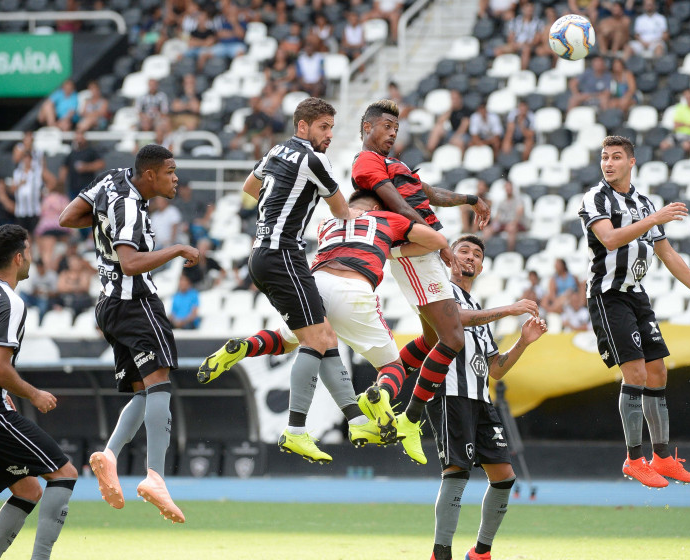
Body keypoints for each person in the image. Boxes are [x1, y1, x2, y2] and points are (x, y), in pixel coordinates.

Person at [199, 189, 449, 462]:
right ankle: (381, 394)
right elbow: (436, 241)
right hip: (354, 287)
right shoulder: (387, 218)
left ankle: (245, 346)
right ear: (377, 204)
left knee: (290, 340)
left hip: (315, 283)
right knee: (392, 367)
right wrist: (391, 249)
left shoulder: (328, 223)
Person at [216, 98, 385, 465]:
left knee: (323, 337)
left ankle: (356, 420)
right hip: (283, 255)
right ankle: (295, 430)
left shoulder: (276, 151)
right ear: (303, 126)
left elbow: (249, 186)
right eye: (323, 127)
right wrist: (361, 213)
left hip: (262, 253)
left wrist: (281, 204)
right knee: (317, 338)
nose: (328, 135)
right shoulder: (313, 159)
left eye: (331, 128)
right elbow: (341, 211)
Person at [57, 144, 202, 523]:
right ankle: (156, 477)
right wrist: (176, 249)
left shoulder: (111, 180)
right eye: (170, 172)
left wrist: (100, 223)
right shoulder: (131, 207)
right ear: (150, 175)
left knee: (143, 390)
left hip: (108, 305)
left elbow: (68, 216)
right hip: (135, 303)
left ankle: (109, 455)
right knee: (160, 384)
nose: (176, 178)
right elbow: (131, 262)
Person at [579, 135, 690, 487]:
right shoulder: (595, 197)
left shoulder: (644, 202)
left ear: (631, 162)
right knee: (636, 374)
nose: (608, 163)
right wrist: (655, 218)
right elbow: (610, 239)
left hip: (637, 295)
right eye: (604, 157)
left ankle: (662, 458)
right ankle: (633, 459)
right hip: (608, 295)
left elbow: (668, 254)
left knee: (658, 371)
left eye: (615, 157)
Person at [352, 99, 491, 465]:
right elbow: (396, 202)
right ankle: (410, 420)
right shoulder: (366, 161)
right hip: (415, 251)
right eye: (385, 126)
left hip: (423, 249)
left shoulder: (396, 164)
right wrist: (437, 241)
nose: (392, 132)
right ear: (367, 128)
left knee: (433, 340)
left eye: (395, 128)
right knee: (453, 339)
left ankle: (382, 390)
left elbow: (427, 193)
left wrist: (469, 198)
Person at [426, 235, 546, 560]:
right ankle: (441, 554)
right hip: (451, 392)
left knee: (505, 477)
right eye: (463, 250)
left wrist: (522, 342)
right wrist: (510, 309)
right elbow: (454, 320)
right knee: (456, 472)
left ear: (481, 265)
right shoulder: (439, 290)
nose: (470, 257)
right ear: (449, 257)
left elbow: (495, 369)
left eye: (477, 254)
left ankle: (480, 552)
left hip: (480, 399)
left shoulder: (479, 308)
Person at [0, 224, 78, 560]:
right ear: (18, 258)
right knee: (64, 473)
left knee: (27, 488)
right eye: (29, 251)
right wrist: (33, 393)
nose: (32, 256)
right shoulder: (8, 301)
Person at [9, 132, 52, 235]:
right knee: (22, 235)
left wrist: (45, 191)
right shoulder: (18, 173)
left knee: (36, 234)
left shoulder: (37, 171)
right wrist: (26, 148)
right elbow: (15, 159)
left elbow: (51, 179)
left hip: (34, 207)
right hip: (21, 209)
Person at [494, 2, 545, 71]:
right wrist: (515, 44)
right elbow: (511, 36)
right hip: (516, 44)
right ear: (523, 10)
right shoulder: (515, 21)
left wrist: (526, 44)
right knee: (498, 50)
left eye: (531, 10)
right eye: (527, 10)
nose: (529, 12)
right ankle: (501, 69)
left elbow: (537, 39)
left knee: (526, 50)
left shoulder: (538, 23)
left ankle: (522, 71)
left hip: (529, 45)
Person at [59, 131, 104, 199]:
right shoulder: (71, 154)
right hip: (73, 187)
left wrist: (86, 167)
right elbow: (64, 168)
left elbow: (101, 164)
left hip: (87, 187)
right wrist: (61, 183)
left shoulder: (90, 151)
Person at [659, 88, 690, 154]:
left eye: (689, 96)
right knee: (663, 145)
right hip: (677, 134)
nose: (687, 98)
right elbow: (676, 125)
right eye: (686, 96)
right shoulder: (680, 108)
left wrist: (683, 124)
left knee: (686, 146)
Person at [426, 90, 471, 154]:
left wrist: (455, 136)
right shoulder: (451, 111)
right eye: (452, 99)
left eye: (455, 99)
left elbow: (464, 127)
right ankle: (429, 152)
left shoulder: (466, 110)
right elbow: (440, 121)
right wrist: (450, 110)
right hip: (452, 132)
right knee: (437, 128)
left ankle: (460, 159)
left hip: (464, 135)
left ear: (460, 99)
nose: (454, 101)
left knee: (458, 141)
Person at [485, 180, 525, 252]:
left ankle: (509, 251)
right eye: (506, 187)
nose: (508, 189)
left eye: (509, 187)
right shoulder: (502, 202)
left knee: (511, 228)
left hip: (516, 223)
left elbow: (520, 212)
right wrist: (494, 225)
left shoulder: (519, 200)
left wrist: (513, 223)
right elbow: (498, 215)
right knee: (487, 230)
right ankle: (483, 251)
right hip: (504, 223)